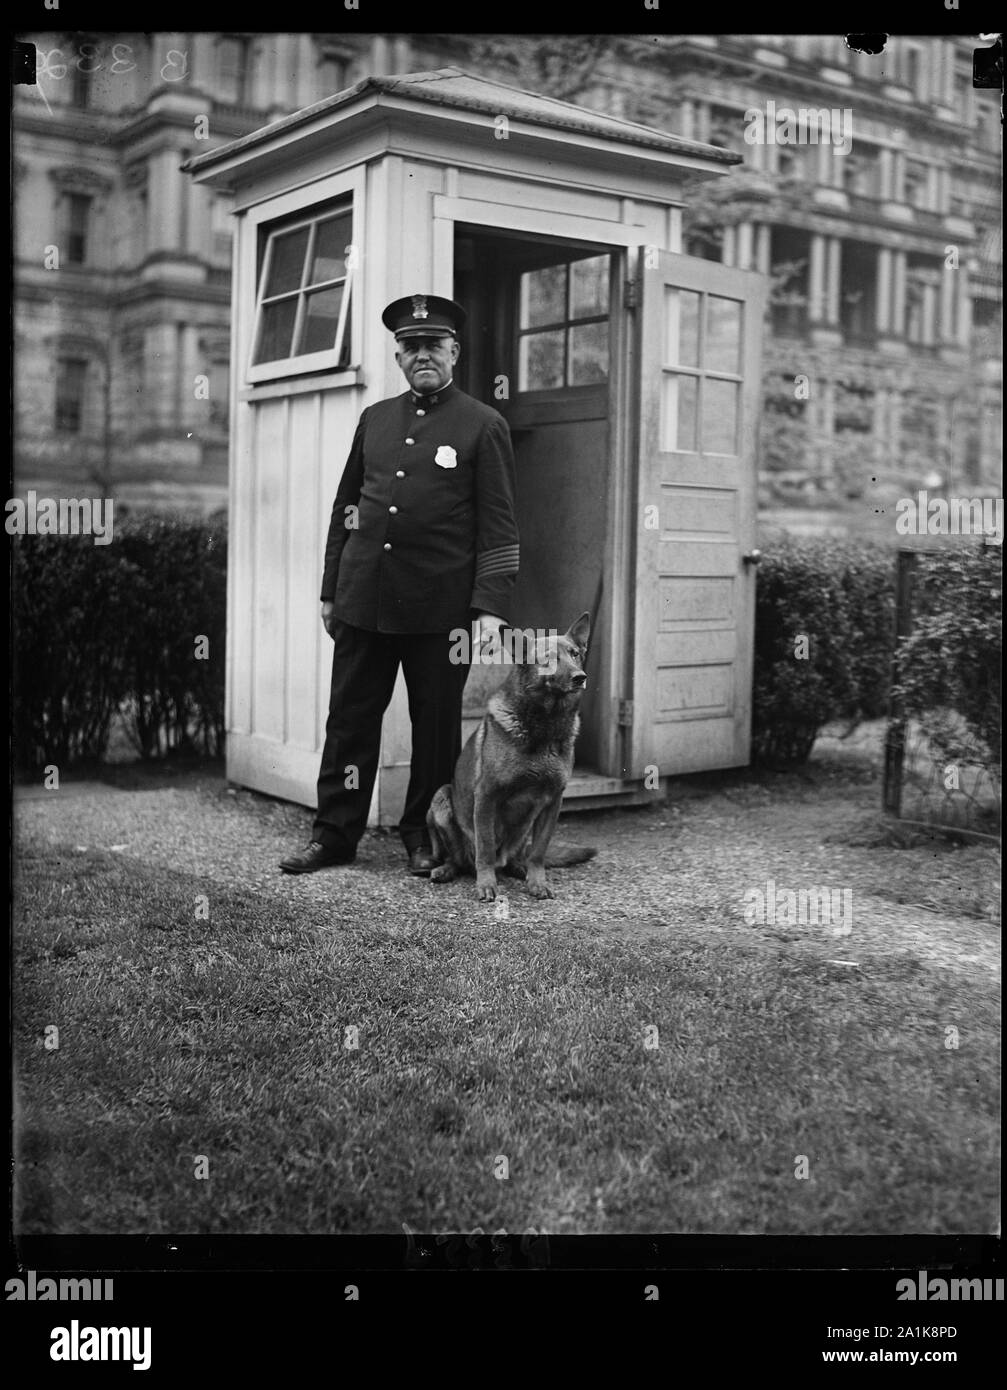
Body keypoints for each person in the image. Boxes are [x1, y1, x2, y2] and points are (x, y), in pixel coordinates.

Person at [280, 293, 519, 876]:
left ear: (454, 352)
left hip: (440, 609)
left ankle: (423, 835)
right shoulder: (376, 419)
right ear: (398, 357)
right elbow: (346, 508)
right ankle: (334, 835)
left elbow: (499, 524)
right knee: (349, 722)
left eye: (433, 346)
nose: (422, 356)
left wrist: (488, 607)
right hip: (364, 600)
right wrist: (331, 589)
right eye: (411, 348)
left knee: (434, 729)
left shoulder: (483, 424)